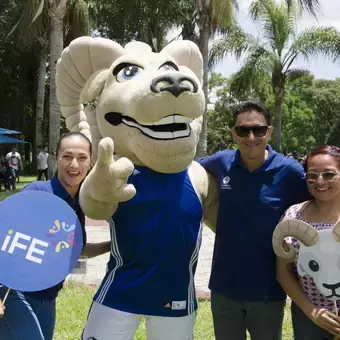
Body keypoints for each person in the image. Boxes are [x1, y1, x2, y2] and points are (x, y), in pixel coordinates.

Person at [199, 100, 310, 340]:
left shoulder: (290, 172)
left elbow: (317, 204)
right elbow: (189, 175)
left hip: (269, 289)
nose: (251, 137)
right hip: (224, 287)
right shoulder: (220, 162)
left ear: (269, 131)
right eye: (243, 130)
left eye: (258, 129)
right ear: (234, 133)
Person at [0, 132, 111, 340]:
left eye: (82, 157)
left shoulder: (80, 203)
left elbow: (73, 250)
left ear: (91, 161)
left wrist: (112, 246)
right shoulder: (37, 193)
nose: (74, 164)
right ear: (55, 157)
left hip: (48, 298)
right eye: (67, 156)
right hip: (13, 295)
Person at [276, 145, 340, 339]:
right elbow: (283, 273)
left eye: (329, 174)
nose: (320, 181)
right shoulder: (294, 215)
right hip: (309, 318)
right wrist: (312, 311)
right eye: (312, 175)